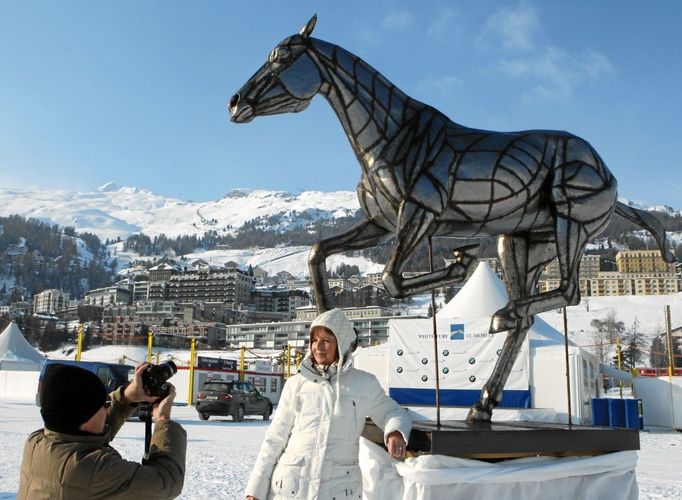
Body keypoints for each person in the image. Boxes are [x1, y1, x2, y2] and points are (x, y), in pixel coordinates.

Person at [245, 308, 411, 500]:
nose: (318, 347)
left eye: (326, 341)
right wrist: (254, 491)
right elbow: (274, 438)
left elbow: (393, 412)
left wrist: (395, 432)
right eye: (315, 340)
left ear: (340, 344)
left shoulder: (364, 384)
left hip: (339, 488)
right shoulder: (296, 384)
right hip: (291, 487)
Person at [18, 362, 186, 499]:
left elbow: (85, 440)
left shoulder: (37, 442)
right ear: (84, 419)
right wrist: (163, 420)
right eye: (101, 407)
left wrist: (128, 397)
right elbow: (167, 482)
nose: (106, 411)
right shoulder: (93, 470)